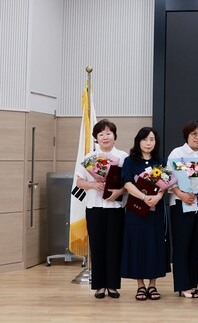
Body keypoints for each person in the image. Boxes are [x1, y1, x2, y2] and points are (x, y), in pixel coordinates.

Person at [74, 119, 128, 299]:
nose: (105, 137)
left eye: (108, 133)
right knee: (97, 246)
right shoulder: (89, 157)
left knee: (114, 245)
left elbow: (129, 183)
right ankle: (99, 286)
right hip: (94, 207)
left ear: (114, 136)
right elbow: (79, 182)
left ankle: (113, 285)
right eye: (101, 134)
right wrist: (93, 184)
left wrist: (119, 191)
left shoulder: (123, 157)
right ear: (96, 138)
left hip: (115, 207)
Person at [121, 127, 168, 301]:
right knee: (138, 244)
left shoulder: (160, 162)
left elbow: (165, 184)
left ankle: (153, 284)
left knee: (154, 244)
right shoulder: (130, 161)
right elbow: (127, 183)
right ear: (138, 141)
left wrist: (157, 197)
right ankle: (140, 285)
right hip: (136, 210)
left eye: (152, 139)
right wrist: (143, 197)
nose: (148, 143)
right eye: (145, 139)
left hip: (156, 210)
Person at [168, 120, 198, 298]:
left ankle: (192, 283)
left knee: (195, 245)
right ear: (187, 135)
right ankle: (182, 285)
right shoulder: (177, 153)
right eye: (194, 134)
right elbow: (168, 178)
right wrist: (181, 194)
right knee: (181, 245)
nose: (197, 137)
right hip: (180, 203)